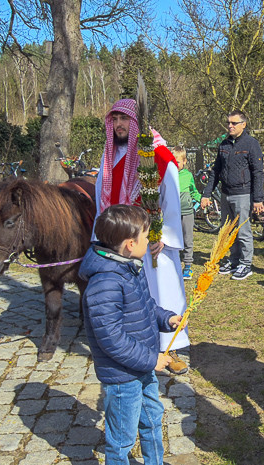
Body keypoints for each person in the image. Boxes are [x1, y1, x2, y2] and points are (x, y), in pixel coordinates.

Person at [79, 204, 189, 465]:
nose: (147, 240)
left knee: (152, 415)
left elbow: (144, 307)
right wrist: (150, 358)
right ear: (130, 244)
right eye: (144, 236)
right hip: (123, 373)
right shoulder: (104, 283)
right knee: (122, 434)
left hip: (141, 365)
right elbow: (110, 339)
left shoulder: (129, 265)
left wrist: (165, 319)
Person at [94, 99, 189, 375]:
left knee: (160, 293)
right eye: (115, 119)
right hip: (118, 244)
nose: (119, 124)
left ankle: (169, 349)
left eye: (124, 119)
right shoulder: (109, 155)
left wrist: (165, 235)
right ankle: (131, 346)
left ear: (136, 123)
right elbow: (102, 198)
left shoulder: (157, 155)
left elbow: (171, 195)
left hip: (152, 244)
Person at [203, 110, 264, 280]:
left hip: (243, 194)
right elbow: (216, 171)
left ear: (243, 125)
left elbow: (258, 172)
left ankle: (246, 263)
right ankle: (234, 259)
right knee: (228, 230)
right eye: (228, 123)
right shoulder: (223, 144)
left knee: (243, 231)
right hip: (225, 194)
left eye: (234, 123)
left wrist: (258, 198)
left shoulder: (251, 144)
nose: (230, 126)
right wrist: (207, 193)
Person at [173, 145, 202, 279]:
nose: (175, 164)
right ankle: (175, 264)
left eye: (177, 161)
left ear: (184, 161)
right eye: (172, 161)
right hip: (173, 213)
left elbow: (193, 191)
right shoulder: (168, 174)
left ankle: (188, 266)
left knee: (187, 239)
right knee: (174, 239)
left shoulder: (188, 175)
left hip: (187, 212)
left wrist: (201, 199)